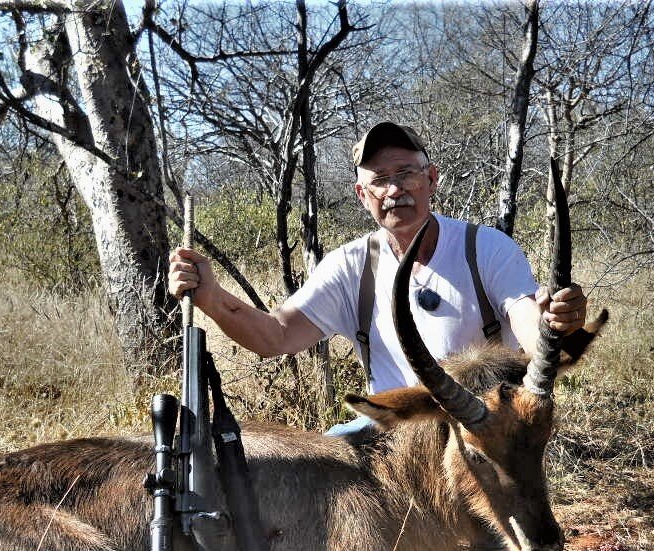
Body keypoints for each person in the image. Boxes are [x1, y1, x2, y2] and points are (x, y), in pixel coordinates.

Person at [168, 122, 587, 435]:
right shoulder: (350, 265)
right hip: (394, 430)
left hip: (480, 427)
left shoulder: (487, 248)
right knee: (318, 467)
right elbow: (275, 337)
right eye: (380, 180)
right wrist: (210, 296)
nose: (394, 190)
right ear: (361, 194)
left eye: (405, 174)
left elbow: (526, 317)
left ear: (432, 179)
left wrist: (554, 325)